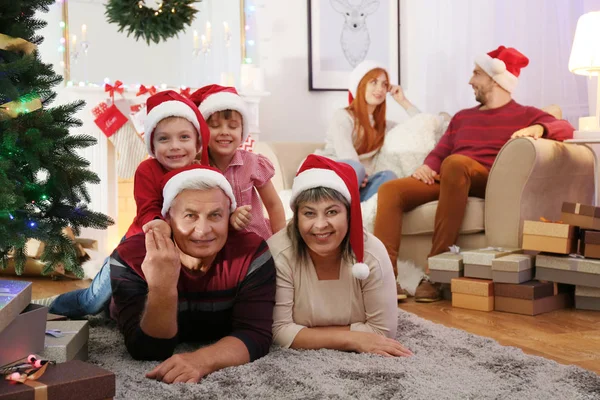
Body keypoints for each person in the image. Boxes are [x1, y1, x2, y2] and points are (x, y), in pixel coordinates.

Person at [373, 46, 575, 302]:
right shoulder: (462, 117)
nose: (470, 80)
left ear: (495, 79)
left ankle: (436, 271)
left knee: (456, 163)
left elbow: (565, 127)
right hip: (451, 176)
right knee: (391, 189)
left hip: (486, 179)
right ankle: (385, 281)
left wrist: (538, 127)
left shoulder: (524, 114)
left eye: (476, 74)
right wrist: (428, 165)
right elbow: (441, 150)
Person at [34, 90, 211, 318]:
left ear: (198, 144)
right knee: (91, 301)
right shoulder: (148, 170)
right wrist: (158, 224)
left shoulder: (205, 175)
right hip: (137, 245)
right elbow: (148, 208)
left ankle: (115, 308)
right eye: (164, 139)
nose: (174, 146)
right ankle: (50, 304)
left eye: (184, 137)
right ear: (152, 145)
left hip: (181, 247)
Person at [110, 164, 276, 384]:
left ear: (229, 216)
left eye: (215, 215)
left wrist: (201, 360)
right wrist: (162, 287)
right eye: (190, 216)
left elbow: (255, 334)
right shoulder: (130, 257)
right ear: (167, 219)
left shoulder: (251, 253)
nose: (203, 230)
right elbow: (147, 349)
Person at [269, 155, 412, 358]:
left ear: (348, 213)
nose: (320, 225)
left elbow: (383, 332)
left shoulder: (372, 253)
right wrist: (352, 337)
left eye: (332, 212)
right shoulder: (279, 252)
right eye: (309, 213)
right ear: (297, 216)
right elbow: (280, 331)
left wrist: (304, 333)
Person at [316, 60, 420, 204]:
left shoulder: (383, 126)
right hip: (332, 175)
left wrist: (403, 101)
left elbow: (420, 126)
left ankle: (351, 208)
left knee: (388, 177)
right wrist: (360, 173)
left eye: (384, 84)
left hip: (359, 184)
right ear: (360, 86)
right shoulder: (343, 116)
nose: (380, 89)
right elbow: (346, 155)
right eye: (374, 82)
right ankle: (332, 205)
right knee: (355, 168)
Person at [191, 84, 286, 240]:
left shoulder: (253, 163)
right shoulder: (197, 167)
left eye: (233, 126)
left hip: (255, 240)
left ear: (242, 131)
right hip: (214, 243)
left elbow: (273, 205)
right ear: (202, 130)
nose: (224, 132)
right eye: (215, 126)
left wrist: (281, 242)